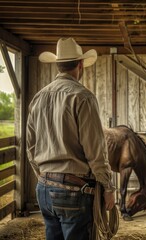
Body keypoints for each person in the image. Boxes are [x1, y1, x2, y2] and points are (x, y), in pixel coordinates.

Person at [26, 37, 116, 240]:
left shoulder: (38, 98)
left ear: (58, 65)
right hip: (74, 191)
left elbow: (30, 147)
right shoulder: (82, 96)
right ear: (80, 64)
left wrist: (45, 177)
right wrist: (108, 187)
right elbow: (95, 150)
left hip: (44, 188)